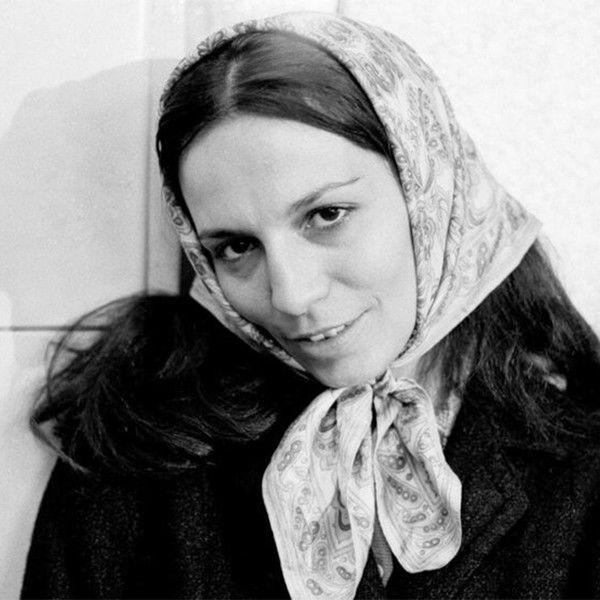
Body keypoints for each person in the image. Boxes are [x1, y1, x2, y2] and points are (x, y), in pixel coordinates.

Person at [21, 11, 600, 600]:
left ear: (430, 192)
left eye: (327, 215)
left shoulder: (586, 455)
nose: (290, 296)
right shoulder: (134, 445)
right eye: (236, 247)